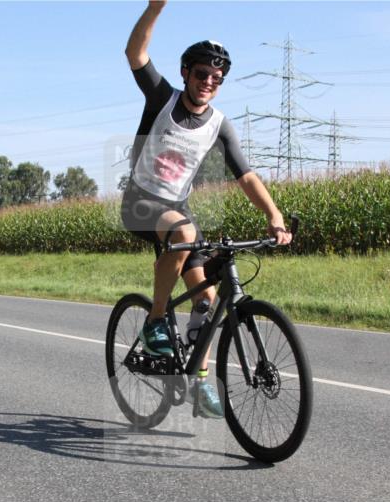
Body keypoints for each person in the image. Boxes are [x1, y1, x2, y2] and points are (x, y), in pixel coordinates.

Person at [121, 0, 292, 418]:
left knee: (206, 301)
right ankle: (155, 321)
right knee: (183, 233)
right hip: (141, 203)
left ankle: (197, 380)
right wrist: (156, 7)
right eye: (202, 73)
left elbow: (246, 176)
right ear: (186, 73)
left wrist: (274, 215)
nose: (208, 82)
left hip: (177, 209)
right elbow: (135, 54)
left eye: (217, 77)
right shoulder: (163, 98)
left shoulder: (219, 124)